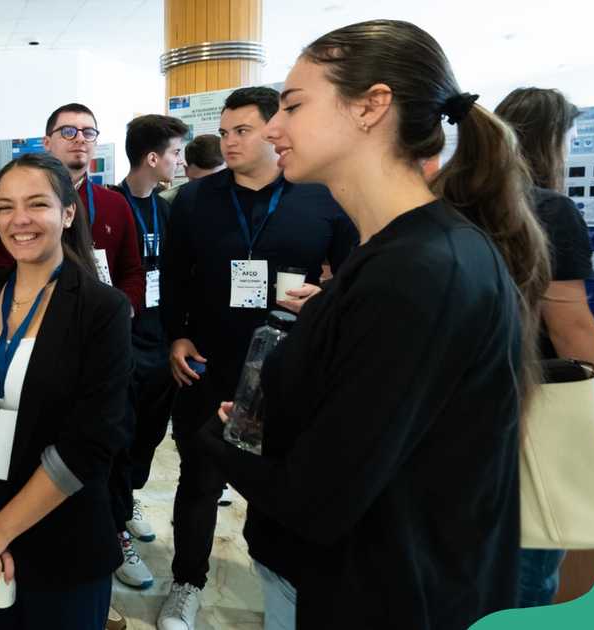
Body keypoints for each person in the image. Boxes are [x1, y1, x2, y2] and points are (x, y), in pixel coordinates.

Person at [196, 20, 553, 630]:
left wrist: (217, 440)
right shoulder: (405, 255)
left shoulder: (419, 271)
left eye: (293, 105)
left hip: (394, 595)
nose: (274, 128)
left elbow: (319, 499)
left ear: (371, 107)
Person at [157, 86, 358, 630]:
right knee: (198, 479)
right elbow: (175, 280)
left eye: (241, 131)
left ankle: (281, 583)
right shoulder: (195, 200)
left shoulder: (321, 197)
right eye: (223, 132)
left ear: (273, 131)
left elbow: (355, 278)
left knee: (283, 481)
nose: (228, 142)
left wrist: (329, 297)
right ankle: (188, 581)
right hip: (208, 361)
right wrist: (176, 336)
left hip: (290, 369)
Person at [0, 152, 131, 630]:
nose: (19, 220)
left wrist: (0, 531)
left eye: (37, 204)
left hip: (61, 529)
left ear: (68, 213)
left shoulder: (102, 309)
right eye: (4, 207)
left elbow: (92, 442)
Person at [495, 86, 594, 607]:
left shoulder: (448, 200)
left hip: (455, 413)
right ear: (552, 141)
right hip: (533, 414)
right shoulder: (546, 210)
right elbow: (573, 329)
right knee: (528, 577)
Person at [0, 103, 146, 313]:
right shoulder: (16, 204)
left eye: (88, 132)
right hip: (30, 319)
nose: (80, 138)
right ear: (47, 142)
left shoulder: (115, 203)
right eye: (68, 132)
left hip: (100, 319)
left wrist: (121, 309)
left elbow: (132, 271)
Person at [109, 115, 187, 550]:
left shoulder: (169, 209)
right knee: (120, 436)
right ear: (153, 157)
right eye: (175, 152)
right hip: (123, 341)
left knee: (149, 434)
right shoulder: (109, 205)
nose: (180, 161)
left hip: (160, 339)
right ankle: (116, 526)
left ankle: (130, 498)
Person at [160, 134, 225, 204]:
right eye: (198, 182)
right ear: (186, 171)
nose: (208, 189)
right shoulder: (165, 203)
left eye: (216, 180)